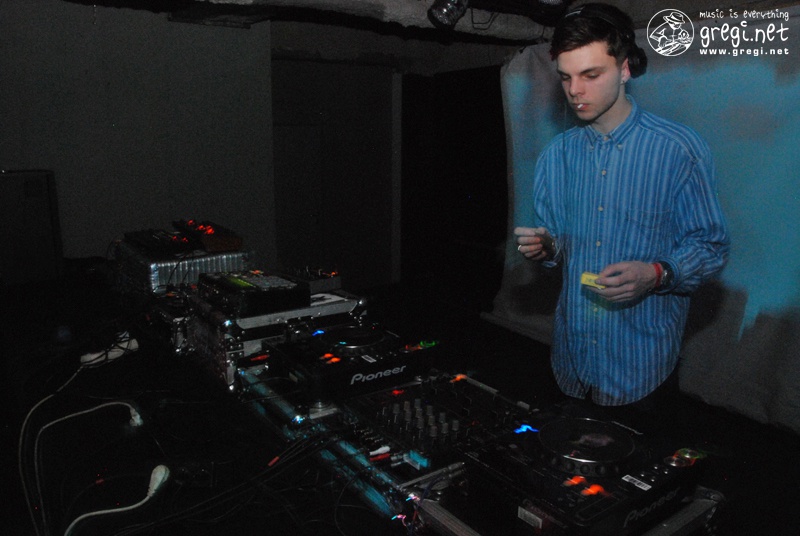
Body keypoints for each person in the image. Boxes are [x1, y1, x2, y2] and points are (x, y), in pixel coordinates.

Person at [515, 3, 730, 407]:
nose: (575, 91)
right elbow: (561, 250)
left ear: (626, 68)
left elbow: (711, 247)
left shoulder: (679, 149)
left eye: (591, 75)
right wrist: (549, 248)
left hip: (642, 364)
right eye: (566, 77)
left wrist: (655, 274)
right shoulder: (555, 156)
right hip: (572, 360)